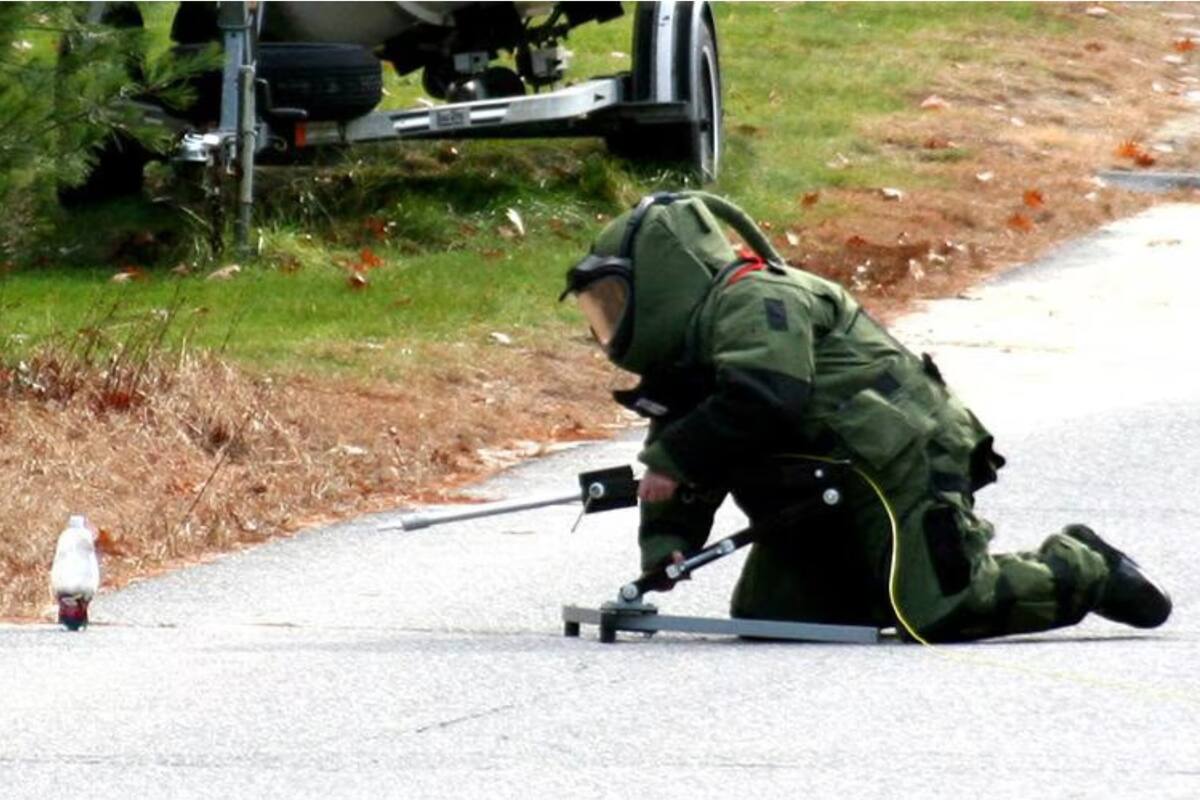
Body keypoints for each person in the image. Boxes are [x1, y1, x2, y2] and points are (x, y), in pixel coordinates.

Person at [560, 191, 1172, 643]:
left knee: (939, 613)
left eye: (614, 301)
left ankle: (1083, 565)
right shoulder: (688, 358)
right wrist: (666, 548)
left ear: (670, 273)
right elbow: (692, 447)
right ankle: (892, 577)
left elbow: (765, 399)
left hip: (904, 461)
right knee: (777, 617)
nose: (609, 324)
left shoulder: (757, 300)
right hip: (825, 485)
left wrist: (670, 461)